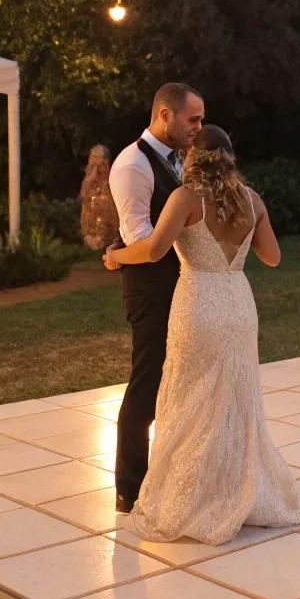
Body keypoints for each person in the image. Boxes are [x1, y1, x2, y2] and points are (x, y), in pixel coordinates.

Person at [103, 124, 300, 544]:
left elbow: (154, 249)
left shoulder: (185, 198)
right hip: (238, 303)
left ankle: (194, 496)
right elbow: (273, 257)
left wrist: (116, 256)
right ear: (230, 157)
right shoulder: (252, 200)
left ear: (194, 158)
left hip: (198, 302)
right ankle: (237, 489)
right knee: (234, 397)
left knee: (191, 396)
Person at [108, 83, 206, 513]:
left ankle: (169, 474)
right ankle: (130, 487)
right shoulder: (132, 164)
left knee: (177, 380)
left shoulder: (180, 160)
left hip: (182, 285)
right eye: (192, 120)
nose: (198, 128)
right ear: (165, 115)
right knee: (147, 381)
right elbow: (142, 240)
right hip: (149, 289)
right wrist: (114, 256)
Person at [78, 143, 119, 250]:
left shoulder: (112, 180)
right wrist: (89, 179)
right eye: (91, 157)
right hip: (89, 233)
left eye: (95, 157)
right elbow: (81, 198)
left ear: (105, 161)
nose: (92, 161)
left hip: (107, 234)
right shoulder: (89, 179)